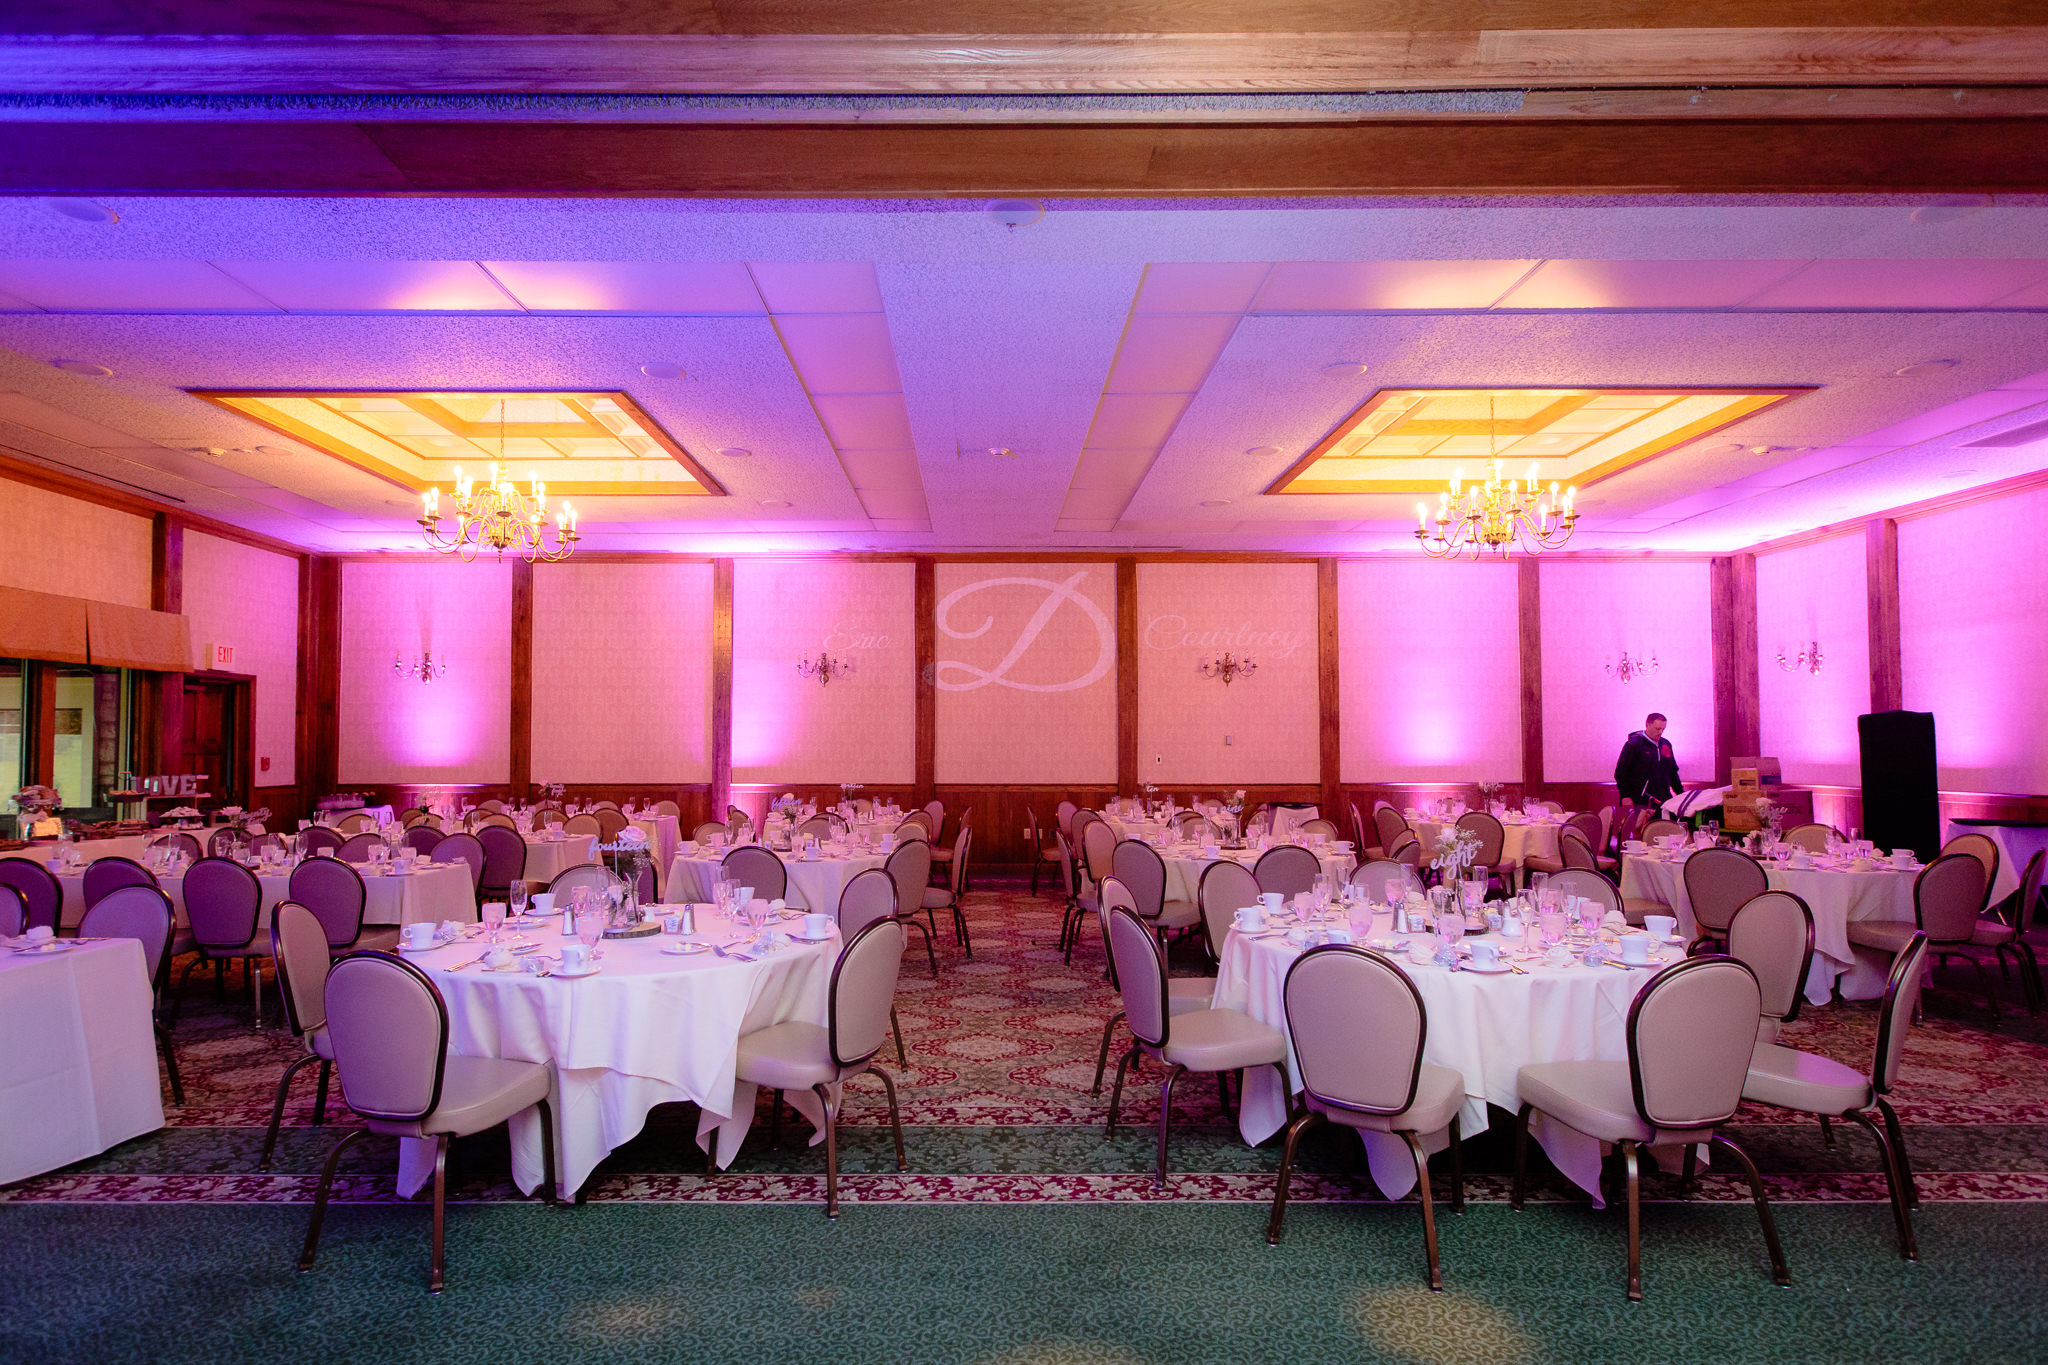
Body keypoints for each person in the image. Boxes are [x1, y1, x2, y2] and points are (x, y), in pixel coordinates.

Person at [1615, 712, 1684, 808]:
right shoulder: (1634, 745)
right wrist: (1625, 795)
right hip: (1640, 800)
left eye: (1663, 729)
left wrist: (1681, 794)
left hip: (1664, 799)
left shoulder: (1666, 744)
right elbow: (1621, 773)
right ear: (1647, 725)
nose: (1660, 732)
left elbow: (1672, 772)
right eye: (1658, 729)